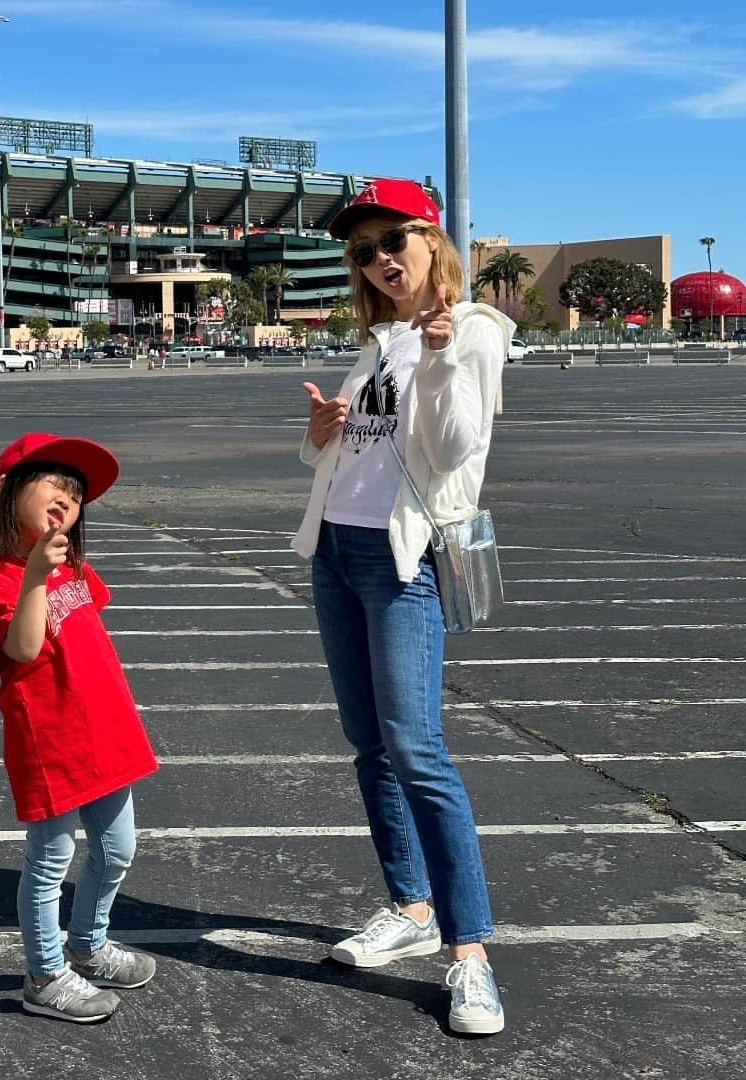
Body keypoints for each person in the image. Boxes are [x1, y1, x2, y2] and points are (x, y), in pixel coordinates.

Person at [291, 178, 514, 1036]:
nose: (382, 261)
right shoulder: (377, 340)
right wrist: (316, 436)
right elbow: (343, 454)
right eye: (364, 251)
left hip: (402, 561)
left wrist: (445, 350)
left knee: (418, 750)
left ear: (432, 242)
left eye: (395, 242)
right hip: (337, 552)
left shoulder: (476, 331)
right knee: (368, 744)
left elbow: (459, 446)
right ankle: (410, 908)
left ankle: (470, 955)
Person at [0, 433, 158, 1024]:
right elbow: (21, 650)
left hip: (104, 731)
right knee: (50, 862)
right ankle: (44, 975)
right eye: (53, 485)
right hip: (50, 742)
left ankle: (89, 945)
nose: (67, 501)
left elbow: (89, 616)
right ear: (8, 491)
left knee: (118, 847)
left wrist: (53, 573)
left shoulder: (73, 566)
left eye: (75, 496)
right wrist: (32, 582)